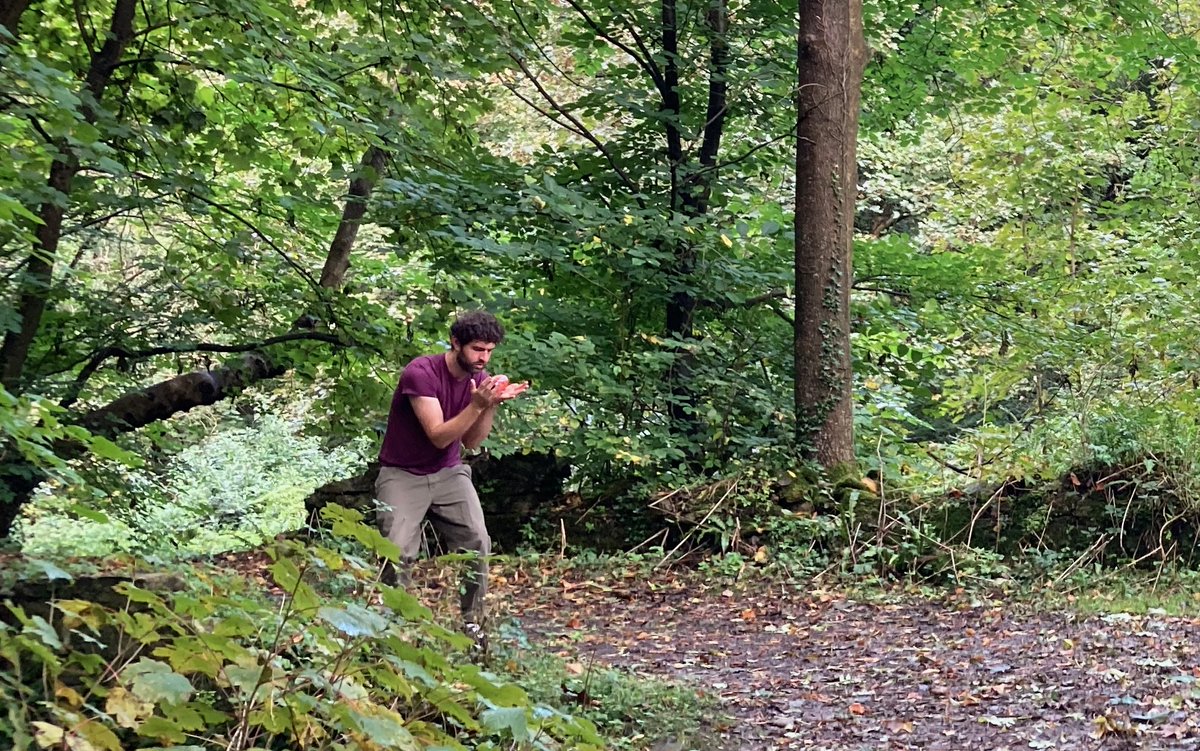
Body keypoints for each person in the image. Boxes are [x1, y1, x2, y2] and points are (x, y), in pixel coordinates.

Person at [375, 310, 527, 637]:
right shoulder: (421, 373)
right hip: (402, 474)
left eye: (489, 350)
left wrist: (491, 403)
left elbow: (471, 442)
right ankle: (391, 628)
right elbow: (439, 435)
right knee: (398, 550)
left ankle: (473, 623)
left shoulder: (477, 381)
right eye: (477, 349)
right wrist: (477, 403)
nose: (483, 358)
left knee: (477, 540)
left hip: (448, 472)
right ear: (455, 343)